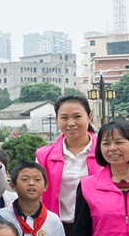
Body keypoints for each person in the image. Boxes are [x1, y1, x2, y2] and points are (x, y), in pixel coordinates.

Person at [35, 94, 100, 224]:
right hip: (57, 227)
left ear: (89, 117)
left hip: (97, 226)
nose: (71, 123)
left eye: (77, 116)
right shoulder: (44, 156)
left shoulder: (105, 151)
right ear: (57, 119)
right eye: (64, 118)